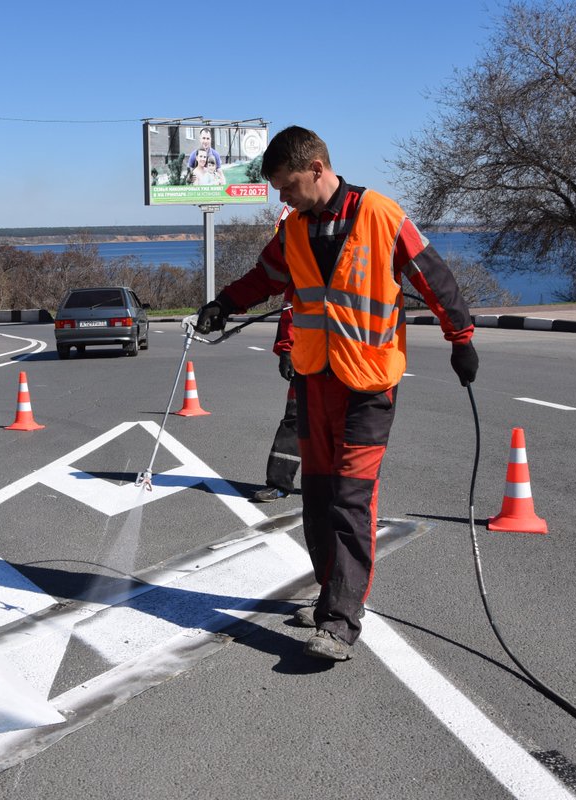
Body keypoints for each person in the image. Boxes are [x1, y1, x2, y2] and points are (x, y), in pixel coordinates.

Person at [195, 125, 478, 662]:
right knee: (320, 500)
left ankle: (340, 621)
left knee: (351, 499)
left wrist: (460, 339)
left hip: (368, 385)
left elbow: (436, 280)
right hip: (315, 379)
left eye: (287, 185)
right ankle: (331, 593)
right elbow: (266, 276)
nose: (283, 197)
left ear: (317, 169)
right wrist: (225, 302)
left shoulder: (382, 216)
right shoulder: (295, 228)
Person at [252, 284, 300, 503]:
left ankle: (341, 490)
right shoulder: (304, 264)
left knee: (345, 429)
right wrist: (286, 349)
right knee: (294, 421)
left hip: (354, 362)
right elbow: (290, 310)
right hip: (310, 360)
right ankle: (279, 484)